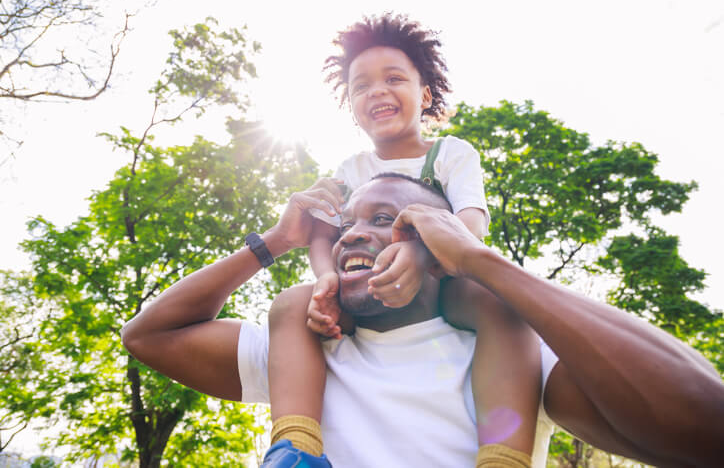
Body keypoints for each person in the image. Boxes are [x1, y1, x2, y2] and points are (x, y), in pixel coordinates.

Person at [121, 174, 724, 467]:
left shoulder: (507, 351)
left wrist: (482, 263)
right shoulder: (304, 347)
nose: (355, 230)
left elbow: (706, 428)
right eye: (349, 222)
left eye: (389, 220)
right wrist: (276, 241)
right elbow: (149, 335)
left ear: (437, 250)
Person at [267, 13, 541, 467]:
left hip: (442, 286)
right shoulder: (351, 170)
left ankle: (504, 458)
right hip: (367, 297)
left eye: (394, 78)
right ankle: (295, 448)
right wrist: (325, 281)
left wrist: (421, 252)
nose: (376, 90)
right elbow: (322, 234)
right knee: (292, 306)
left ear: (425, 94)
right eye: (360, 86)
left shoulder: (450, 155)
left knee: (505, 305)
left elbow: (471, 221)